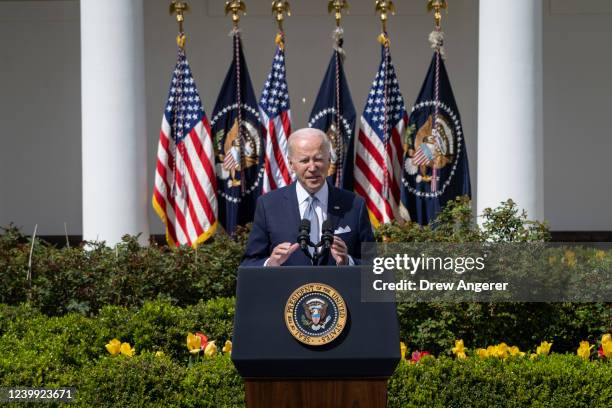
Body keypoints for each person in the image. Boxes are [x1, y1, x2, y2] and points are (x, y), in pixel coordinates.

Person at [241, 128, 374, 267]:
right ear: (291, 164)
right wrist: (270, 263)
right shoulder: (268, 205)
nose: (312, 167)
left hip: (338, 288)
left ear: (329, 160)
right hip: (288, 288)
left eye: (318, 159)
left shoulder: (354, 205)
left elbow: (373, 265)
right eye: (304, 160)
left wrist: (348, 262)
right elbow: (249, 263)